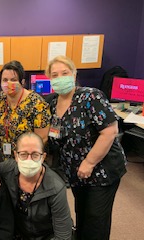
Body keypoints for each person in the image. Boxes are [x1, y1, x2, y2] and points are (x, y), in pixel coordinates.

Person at [44, 55, 127, 240]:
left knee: (96, 220)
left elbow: (110, 131)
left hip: (101, 170)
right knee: (82, 215)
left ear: (74, 74)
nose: (60, 78)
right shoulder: (51, 103)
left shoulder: (90, 96)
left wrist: (89, 163)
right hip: (75, 172)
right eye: (55, 75)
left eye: (64, 73)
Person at [0, 132, 72, 240]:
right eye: (24, 154)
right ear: (16, 156)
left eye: (35, 155)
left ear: (43, 157)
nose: (29, 160)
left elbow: (63, 236)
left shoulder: (55, 187)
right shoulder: (9, 169)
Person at [0, 60, 51, 161]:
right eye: (5, 80)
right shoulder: (0, 99)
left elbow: (42, 138)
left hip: (28, 159)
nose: (8, 83)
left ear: (22, 82)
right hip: (7, 157)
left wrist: (28, 158)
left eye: (13, 80)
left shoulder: (36, 103)